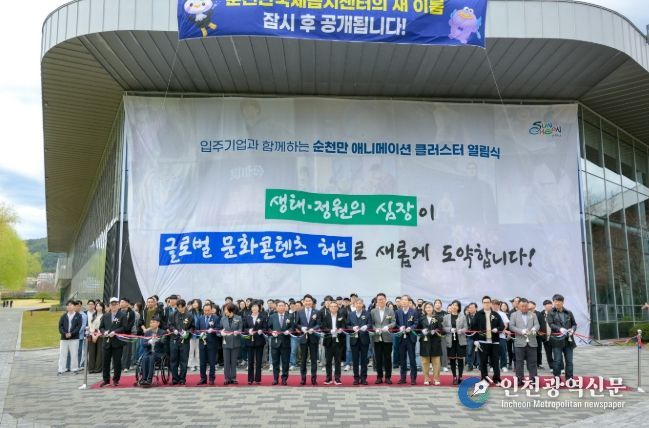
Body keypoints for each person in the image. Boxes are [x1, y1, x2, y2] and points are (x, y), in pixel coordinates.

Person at [471, 295, 504, 385]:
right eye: (484, 302)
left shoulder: (496, 314)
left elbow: (502, 326)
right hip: (482, 341)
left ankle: (497, 379)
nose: (486, 304)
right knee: (483, 362)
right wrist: (475, 340)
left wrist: (497, 329)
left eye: (488, 302)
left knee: (495, 361)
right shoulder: (478, 314)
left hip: (494, 341)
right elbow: (473, 328)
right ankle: (484, 379)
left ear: (490, 303)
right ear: (482, 303)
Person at [508, 298, 540, 385]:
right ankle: (519, 379)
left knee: (533, 362)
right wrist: (520, 331)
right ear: (518, 306)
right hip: (519, 342)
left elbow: (537, 325)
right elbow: (511, 326)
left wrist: (534, 329)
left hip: (532, 342)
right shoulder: (514, 315)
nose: (524, 308)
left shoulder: (533, 315)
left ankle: (533, 379)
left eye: (526, 306)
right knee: (519, 362)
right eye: (522, 306)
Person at [547, 294, 577, 381]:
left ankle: (569, 379)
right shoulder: (551, 313)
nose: (557, 303)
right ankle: (556, 378)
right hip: (556, 340)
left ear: (563, 302)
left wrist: (572, 329)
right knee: (557, 360)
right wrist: (559, 328)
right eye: (555, 301)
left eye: (559, 301)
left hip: (568, 340)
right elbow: (551, 324)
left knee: (569, 361)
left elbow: (574, 324)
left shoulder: (569, 312)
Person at [98, 297, 127, 387]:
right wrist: (104, 332)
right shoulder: (105, 315)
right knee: (105, 362)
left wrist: (115, 332)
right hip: (106, 342)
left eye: (115, 304)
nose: (114, 306)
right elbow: (101, 327)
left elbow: (124, 327)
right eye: (112, 304)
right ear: (109, 305)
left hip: (117, 342)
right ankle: (106, 380)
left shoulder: (122, 315)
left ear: (118, 305)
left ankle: (116, 379)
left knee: (117, 362)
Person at [370, 292, 395, 384]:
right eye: (379, 299)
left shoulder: (390, 311)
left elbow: (393, 322)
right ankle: (379, 377)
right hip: (377, 337)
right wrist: (375, 329)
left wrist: (388, 326)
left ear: (385, 300)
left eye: (382, 299)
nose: (380, 301)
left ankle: (388, 377)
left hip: (387, 337)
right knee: (378, 358)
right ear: (376, 301)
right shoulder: (373, 311)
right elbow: (371, 323)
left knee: (388, 358)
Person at [168, 299, 194, 385]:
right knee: (173, 360)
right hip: (174, 340)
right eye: (178, 307)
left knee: (184, 360)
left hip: (184, 340)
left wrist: (187, 332)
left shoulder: (189, 315)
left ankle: (182, 378)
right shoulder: (172, 314)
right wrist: (173, 329)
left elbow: (193, 327)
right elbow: (169, 325)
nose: (180, 309)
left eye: (181, 307)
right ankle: (175, 378)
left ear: (184, 306)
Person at [347, 298, 372, 385]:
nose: (358, 305)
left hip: (364, 339)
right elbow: (347, 325)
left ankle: (364, 378)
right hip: (354, 339)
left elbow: (370, 324)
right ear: (354, 305)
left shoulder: (367, 313)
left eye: (360, 303)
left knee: (364, 360)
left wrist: (366, 326)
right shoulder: (351, 314)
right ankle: (356, 378)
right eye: (357, 303)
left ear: (362, 304)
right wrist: (352, 328)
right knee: (355, 360)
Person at [296, 294, 320, 385]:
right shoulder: (300, 312)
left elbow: (319, 324)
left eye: (309, 301)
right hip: (303, 337)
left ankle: (314, 378)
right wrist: (301, 328)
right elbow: (297, 324)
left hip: (313, 337)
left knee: (314, 359)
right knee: (303, 359)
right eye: (306, 301)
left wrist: (313, 329)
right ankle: (303, 378)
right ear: (303, 302)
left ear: (312, 302)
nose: (308, 302)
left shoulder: (316, 312)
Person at [320, 300, 346, 385]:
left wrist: (341, 329)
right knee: (328, 361)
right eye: (332, 306)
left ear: (337, 308)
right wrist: (329, 330)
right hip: (329, 341)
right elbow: (322, 327)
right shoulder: (325, 316)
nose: (333, 308)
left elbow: (344, 326)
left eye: (335, 306)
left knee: (338, 360)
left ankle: (337, 378)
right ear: (329, 308)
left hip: (338, 340)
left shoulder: (341, 316)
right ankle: (328, 377)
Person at [443, 299, 468, 385]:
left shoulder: (463, 316)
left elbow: (466, 327)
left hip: (460, 339)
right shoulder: (446, 317)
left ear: (459, 307)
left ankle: (460, 376)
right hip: (450, 340)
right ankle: (454, 377)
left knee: (460, 359)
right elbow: (443, 327)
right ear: (451, 306)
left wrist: (462, 330)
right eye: (453, 305)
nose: (454, 306)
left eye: (456, 305)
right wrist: (450, 329)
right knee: (452, 359)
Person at [418, 301, 443, 385]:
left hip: (435, 341)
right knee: (425, 361)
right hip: (425, 341)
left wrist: (435, 331)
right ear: (424, 309)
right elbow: (417, 329)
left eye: (430, 307)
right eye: (427, 307)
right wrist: (422, 331)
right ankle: (426, 378)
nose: (428, 309)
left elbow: (441, 329)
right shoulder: (421, 318)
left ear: (433, 308)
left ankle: (436, 379)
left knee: (436, 361)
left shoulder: (438, 318)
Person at [395, 295, 418, 385]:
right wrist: (399, 327)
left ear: (409, 302)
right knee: (402, 359)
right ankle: (403, 378)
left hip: (410, 337)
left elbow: (416, 323)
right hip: (401, 337)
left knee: (412, 358)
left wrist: (411, 328)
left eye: (405, 300)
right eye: (402, 300)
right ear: (400, 302)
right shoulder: (398, 312)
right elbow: (396, 323)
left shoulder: (414, 311)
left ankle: (413, 378)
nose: (404, 302)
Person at [197, 302, 220, 385]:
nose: (206, 312)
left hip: (212, 343)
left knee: (212, 362)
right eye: (205, 310)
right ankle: (203, 378)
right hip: (202, 342)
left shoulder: (216, 318)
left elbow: (219, 328)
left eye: (208, 310)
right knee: (202, 362)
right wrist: (200, 334)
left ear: (211, 310)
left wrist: (213, 330)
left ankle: (211, 378)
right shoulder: (200, 318)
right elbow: (196, 329)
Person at [269, 301, 292, 385]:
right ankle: (275, 378)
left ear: (285, 307)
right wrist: (272, 332)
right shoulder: (272, 316)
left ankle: (284, 379)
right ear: (277, 307)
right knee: (275, 362)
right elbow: (268, 327)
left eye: (283, 306)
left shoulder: (289, 316)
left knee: (285, 362)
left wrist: (289, 331)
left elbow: (293, 327)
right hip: (275, 342)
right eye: (279, 306)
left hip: (286, 342)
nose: (281, 307)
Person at [243, 302, 266, 384]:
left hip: (259, 341)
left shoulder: (262, 317)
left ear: (259, 308)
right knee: (250, 361)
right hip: (250, 341)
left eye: (256, 306)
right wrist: (248, 330)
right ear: (251, 308)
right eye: (253, 306)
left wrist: (261, 330)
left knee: (258, 361)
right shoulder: (247, 317)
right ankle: (250, 379)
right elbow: (244, 328)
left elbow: (265, 328)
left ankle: (258, 379)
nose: (255, 308)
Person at [139, 316, 165, 387]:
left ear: (158, 323)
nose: (151, 324)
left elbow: (164, 343)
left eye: (153, 322)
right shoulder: (147, 332)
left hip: (158, 353)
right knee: (145, 358)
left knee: (151, 357)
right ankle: (144, 378)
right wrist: (149, 342)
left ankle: (149, 379)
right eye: (150, 322)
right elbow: (143, 344)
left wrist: (157, 341)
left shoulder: (162, 332)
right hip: (148, 351)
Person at [57, 300, 82, 375]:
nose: (69, 306)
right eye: (68, 305)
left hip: (74, 338)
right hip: (64, 338)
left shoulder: (78, 316)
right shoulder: (63, 316)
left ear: (74, 306)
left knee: (74, 354)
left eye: (71, 305)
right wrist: (65, 333)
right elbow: (60, 327)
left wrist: (72, 333)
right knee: (62, 354)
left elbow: (78, 327)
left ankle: (74, 369)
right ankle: (61, 369)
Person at [221, 302, 243, 385]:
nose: (224, 311)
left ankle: (233, 378)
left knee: (233, 362)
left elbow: (240, 329)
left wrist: (238, 332)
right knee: (226, 362)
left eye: (225, 309)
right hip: (226, 342)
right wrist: (221, 333)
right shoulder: (223, 319)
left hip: (235, 342)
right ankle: (227, 378)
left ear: (230, 310)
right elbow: (219, 329)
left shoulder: (238, 318)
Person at [119, 298, 136, 372]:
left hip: (127, 333)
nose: (121, 303)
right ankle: (118, 366)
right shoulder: (118, 311)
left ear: (127, 303)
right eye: (120, 302)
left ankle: (126, 366)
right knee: (118, 350)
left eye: (123, 302)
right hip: (118, 333)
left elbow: (131, 324)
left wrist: (124, 329)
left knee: (127, 351)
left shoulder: (131, 312)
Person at [87, 301, 104, 373]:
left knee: (99, 352)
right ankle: (91, 368)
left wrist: (97, 335)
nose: (98, 307)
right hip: (92, 334)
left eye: (100, 306)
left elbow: (103, 327)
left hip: (100, 335)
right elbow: (90, 325)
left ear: (102, 307)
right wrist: (92, 334)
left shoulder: (104, 316)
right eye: (97, 306)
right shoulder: (93, 315)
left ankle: (98, 368)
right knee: (91, 352)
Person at [188, 299, 203, 372]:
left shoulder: (202, 311)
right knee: (191, 350)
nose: (195, 304)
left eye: (196, 302)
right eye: (193, 303)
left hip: (200, 333)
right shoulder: (190, 312)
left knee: (198, 350)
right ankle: (191, 365)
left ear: (199, 304)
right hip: (192, 333)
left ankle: (198, 364)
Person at [465, 302, 480, 371]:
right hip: (469, 336)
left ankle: (480, 366)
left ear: (476, 308)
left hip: (479, 336)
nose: (470, 309)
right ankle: (470, 366)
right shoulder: (466, 317)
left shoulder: (480, 315)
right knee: (469, 351)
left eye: (472, 307)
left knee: (480, 351)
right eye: (469, 308)